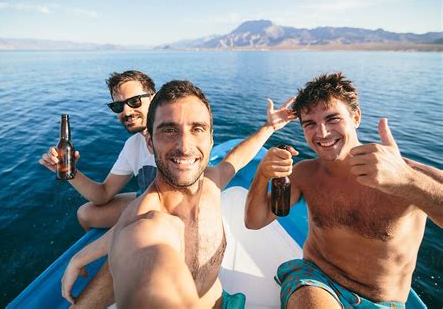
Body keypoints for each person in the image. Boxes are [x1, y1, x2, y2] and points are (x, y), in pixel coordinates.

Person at [61, 80, 297, 308]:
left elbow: (235, 159)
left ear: (211, 138)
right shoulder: (147, 225)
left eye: (197, 129)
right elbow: (145, 261)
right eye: (169, 130)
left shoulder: (212, 183)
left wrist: (270, 127)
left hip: (226, 301)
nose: (185, 146)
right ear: (150, 143)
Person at [245, 72, 443, 308]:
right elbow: (255, 221)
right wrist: (262, 174)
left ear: (356, 117)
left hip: (384, 302)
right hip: (314, 280)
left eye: (332, 119)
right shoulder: (305, 174)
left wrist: (407, 181)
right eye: (310, 124)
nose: (322, 133)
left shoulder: (408, 173)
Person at [39, 70, 156, 231]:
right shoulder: (133, 145)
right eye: (118, 106)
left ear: (154, 98)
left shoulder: (176, 136)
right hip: (147, 199)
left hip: (171, 211)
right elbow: (103, 194)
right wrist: (69, 170)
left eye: (135, 101)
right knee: (85, 214)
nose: (127, 111)